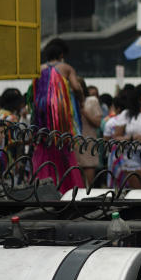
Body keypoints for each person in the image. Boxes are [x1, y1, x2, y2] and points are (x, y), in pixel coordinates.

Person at [28, 38, 84, 192]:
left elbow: (32, 92)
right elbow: (76, 87)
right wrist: (81, 98)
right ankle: (67, 187)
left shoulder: (39, 68)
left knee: (44, 146)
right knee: (63, 146)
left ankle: (42, 186)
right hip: (60, 116)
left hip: (41, 115)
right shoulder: (66, 67)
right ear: (61, 54)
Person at [78, 92, 103, 186]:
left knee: (88, 183)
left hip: (87, 144)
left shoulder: (91, 101)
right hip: (73, 145)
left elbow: (98, 123)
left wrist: (85, 113)